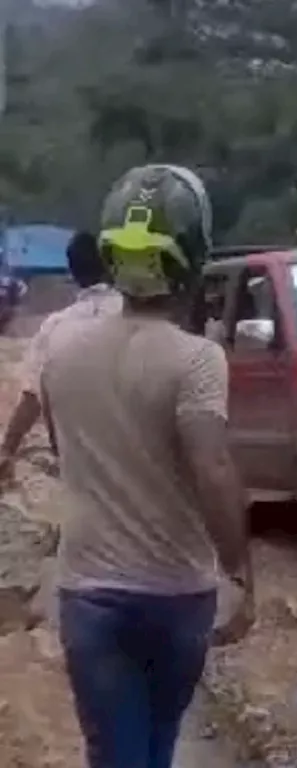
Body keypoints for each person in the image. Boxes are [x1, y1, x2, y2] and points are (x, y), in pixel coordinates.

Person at [40, 164, 254, 768]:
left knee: (115, 754)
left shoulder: (60, 347)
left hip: (89, 596)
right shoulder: (198, 361)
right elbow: (212, 470)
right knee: (154, 750)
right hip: (177, 597)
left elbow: (62, 451)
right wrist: (240, 575)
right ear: (193, 253)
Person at [0, 231, 121, 484]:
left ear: (73, 273)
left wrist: (8, 449)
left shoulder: (55, 327)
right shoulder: (141, 319)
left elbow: (32, 398)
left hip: (79, 464)